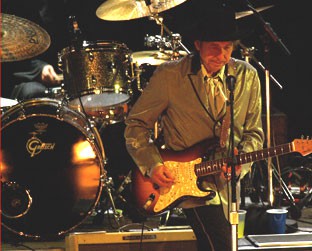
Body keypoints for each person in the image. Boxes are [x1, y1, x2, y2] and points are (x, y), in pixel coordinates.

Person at [124, 7, 264, 251]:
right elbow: (136, 125)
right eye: (214, 48)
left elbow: (254, 133)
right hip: (185, 181)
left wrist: (243, 161)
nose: (222, 56)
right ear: (198, 45)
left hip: (228, 185)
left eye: (228, 48)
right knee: (220, 244)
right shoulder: (170, 75)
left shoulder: (247, 76)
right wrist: (153, 165)